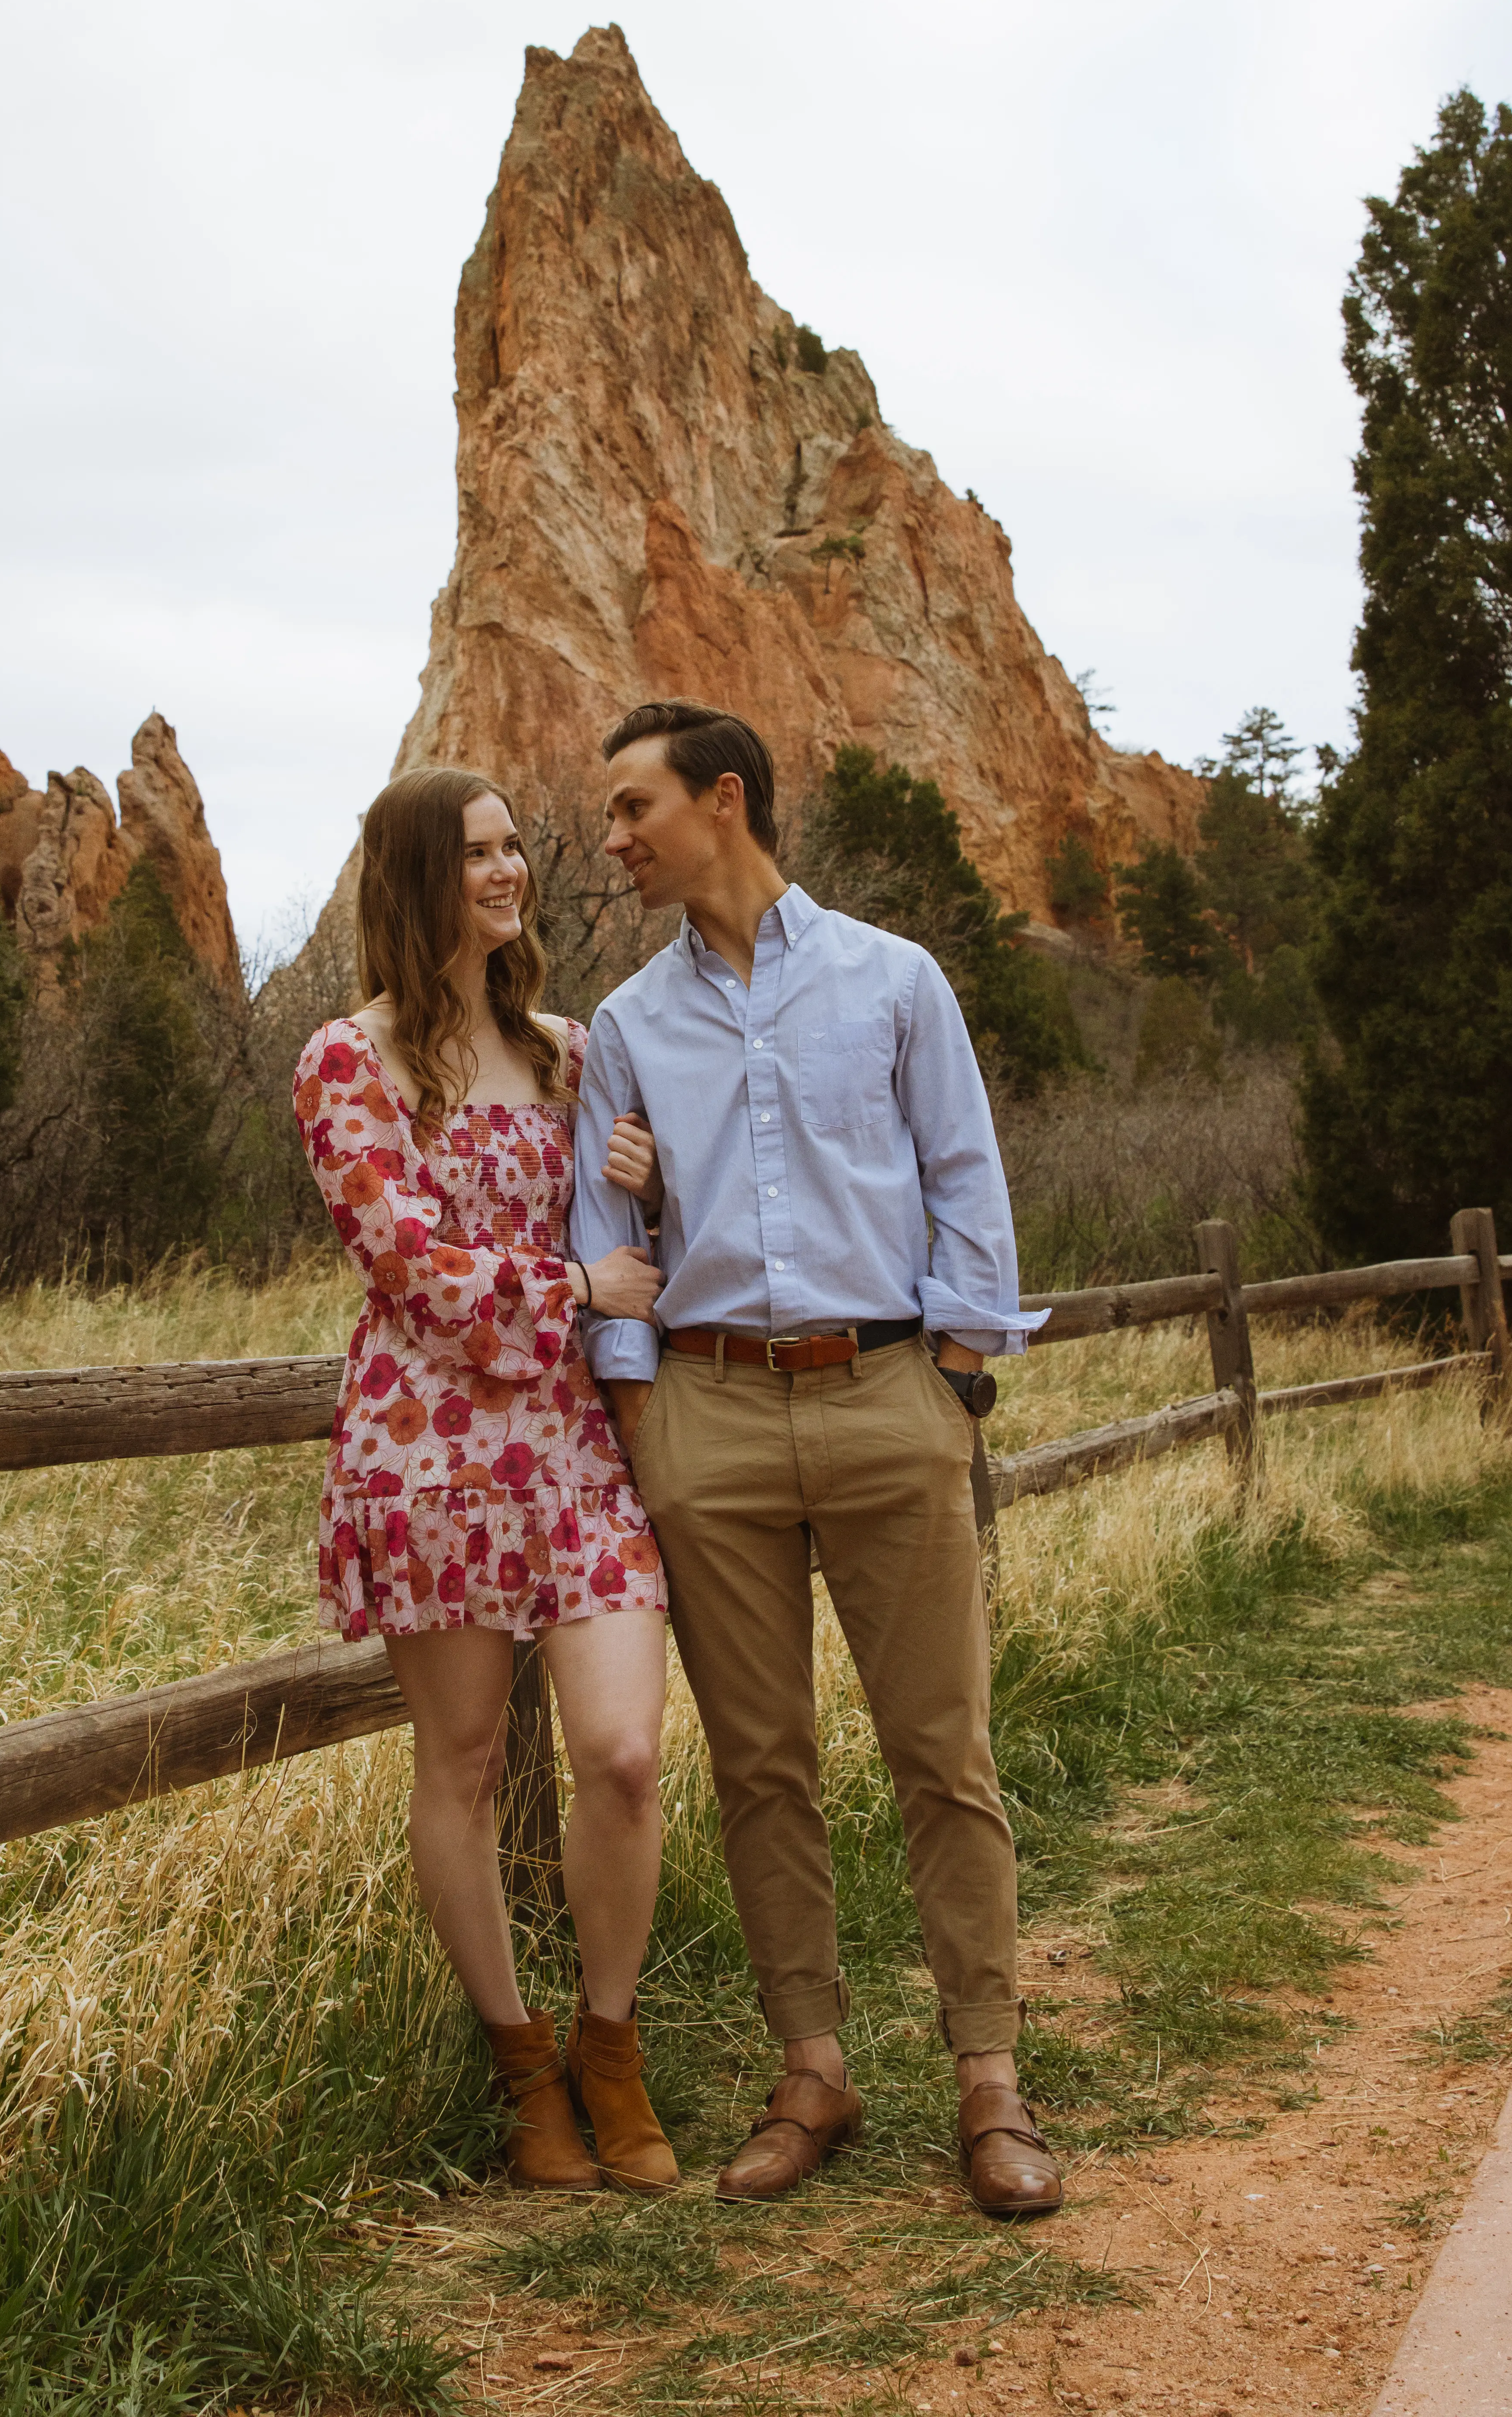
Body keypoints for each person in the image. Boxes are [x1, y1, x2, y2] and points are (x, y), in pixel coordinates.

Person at [569, 700, 1062, 2218]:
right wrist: (651, 1412)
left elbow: (963, 1172)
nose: (615, 837)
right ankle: (815, 2070)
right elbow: (605, 1237)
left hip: (885, 1391)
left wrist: (959, 1375)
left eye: (635, 807)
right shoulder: (630, 1029)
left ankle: (989, 2077)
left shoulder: (894, 980)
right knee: (761, 1764)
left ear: (725, 801)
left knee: (942, 1751)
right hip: (709, 1418)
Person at [293, 763, 679, 2195]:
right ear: (416, 879)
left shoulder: (573, 1052)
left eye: (517, 847)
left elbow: (646, 1237)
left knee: (626, 1756)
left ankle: (613, 2044)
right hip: (431, 1455)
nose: (510, 873)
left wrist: (640, 1172)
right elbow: (414, 1274)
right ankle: (525, 2071)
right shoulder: (350, 1061)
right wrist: (581, 1276)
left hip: (575, 1449)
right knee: (456, 1764)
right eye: (478, 855)